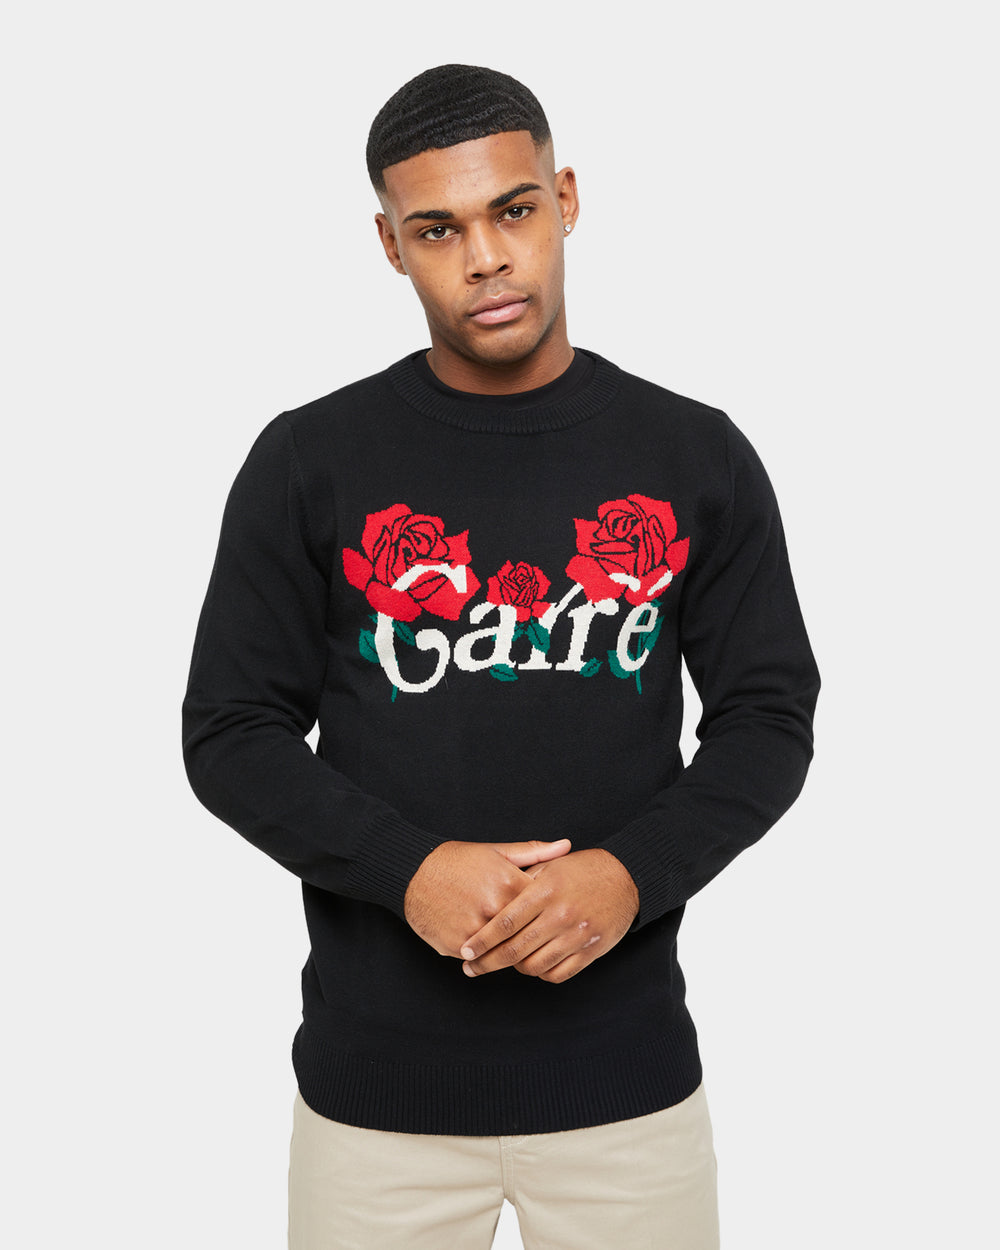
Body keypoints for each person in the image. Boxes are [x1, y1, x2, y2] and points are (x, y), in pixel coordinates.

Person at [183, 63, 820, 1250]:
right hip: (376, 1107)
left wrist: (629, 874)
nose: (484, 257)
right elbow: (230, 731)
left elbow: (770, 715)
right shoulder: (308, 459)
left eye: (511, 210)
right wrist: (409, 868)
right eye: (438, 229)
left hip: (627, 1091)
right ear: (390, 245)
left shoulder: (694, 454)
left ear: (564, 199)